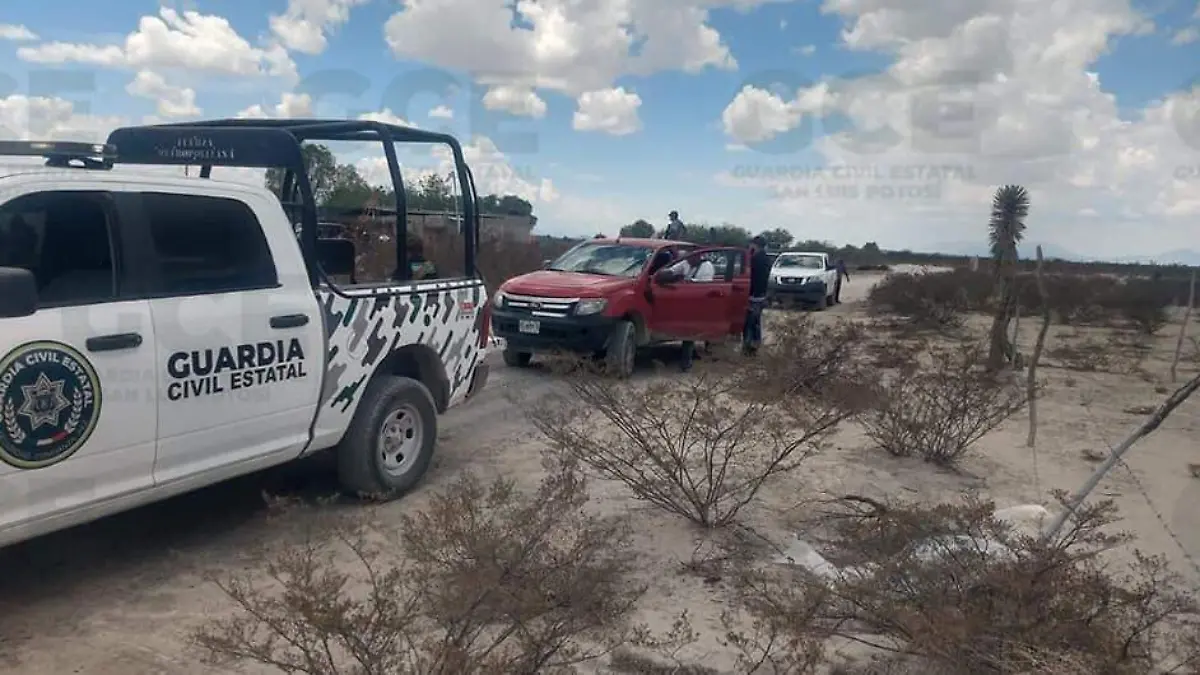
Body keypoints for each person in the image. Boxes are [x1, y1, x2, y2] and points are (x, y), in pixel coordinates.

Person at [744, 235, 770, 355]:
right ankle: (754, 345)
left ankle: (750, 347)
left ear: (755, 245)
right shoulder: (765, 258)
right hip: (761, 294)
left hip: (754, 295)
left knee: (751, 323)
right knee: (755, 322)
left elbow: (753, 277)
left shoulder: (756, 259)